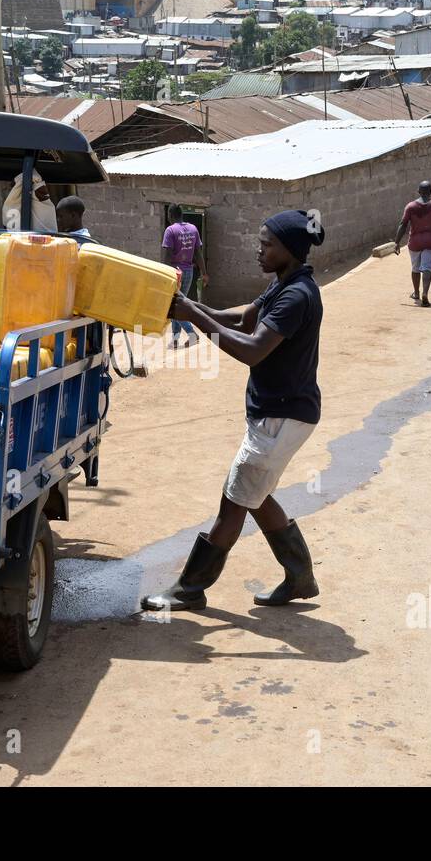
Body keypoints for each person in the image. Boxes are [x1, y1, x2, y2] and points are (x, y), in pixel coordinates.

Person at [141, 210, 324, 612]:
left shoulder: (296, 296)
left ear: (290, 250)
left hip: (281, 417)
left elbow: (251, 349)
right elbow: (239, 318)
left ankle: (190, 589)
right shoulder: (284, 284)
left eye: (267, 244)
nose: (259, 249)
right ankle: (300, 576)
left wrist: (193, 319)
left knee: (234, 501)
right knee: (254, 496)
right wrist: (189, 307)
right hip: (279, 414)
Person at [394, 181, 431, 307]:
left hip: (415, 242)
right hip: (430, 241)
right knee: (427, 269)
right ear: (430, 192)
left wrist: (396, 242)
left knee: (415, 268)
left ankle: (416, 293)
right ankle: (425, 293)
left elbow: (403, 224)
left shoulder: (410, 206)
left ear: (418, 192)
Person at [160, 204, 208, 348]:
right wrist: (204, 273)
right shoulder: (193, 229)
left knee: (174, 307)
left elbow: (167, 255)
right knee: (176, 305)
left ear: (170, 215)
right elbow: (198, 253)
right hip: (188, 271)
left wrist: (163, 274)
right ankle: (175, 340)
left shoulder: (170, 230)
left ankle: (192, 334)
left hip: (175, 272)